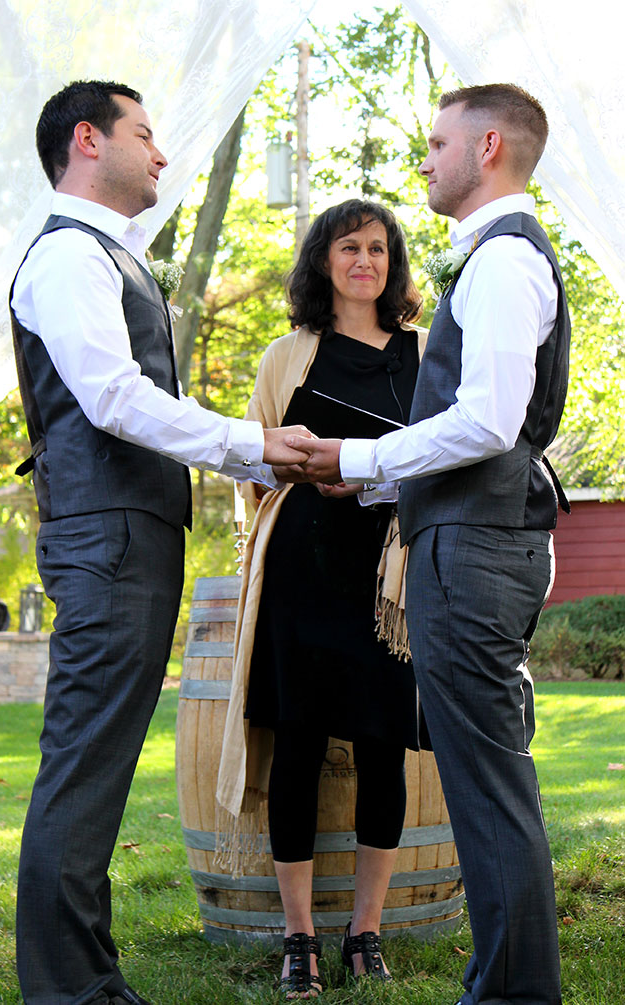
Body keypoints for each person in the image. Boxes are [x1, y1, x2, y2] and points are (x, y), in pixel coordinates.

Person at [9, 79, 310, 1005]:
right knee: (87, 759)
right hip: (107, 539)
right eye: (146, 133)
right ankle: (71, 991)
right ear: (89, 141)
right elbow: (114, 399)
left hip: (127, 534)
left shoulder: (108, 255)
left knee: (96, 762)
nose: (163, 154)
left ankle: (85, 980)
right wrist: (249, 443)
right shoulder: (67, 258)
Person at [291, 85, 570, 1005]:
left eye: (439, 142)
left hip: (477, 547)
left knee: (487, 790)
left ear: (488, 146)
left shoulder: (501, 262)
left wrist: (363, 452)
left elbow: (485, 420)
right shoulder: (496, 258)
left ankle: (513, 994)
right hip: (474, 536)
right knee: (489, 783)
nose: (426, 158)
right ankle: (509, 986)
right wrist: (367, 476)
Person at [215, 199, 427, 998]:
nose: (364, 261)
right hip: (301, 575)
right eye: (349, 247)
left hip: (388, 584)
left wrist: (376, 472)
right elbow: (251, 462)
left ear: (391, 262)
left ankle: (365, 932)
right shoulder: (289, 354)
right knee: (298, 746)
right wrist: (291, 465)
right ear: (324, 261)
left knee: (382, 746)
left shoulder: (426, 352)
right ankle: (298, 935)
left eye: (378, 248)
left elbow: (447, 454)